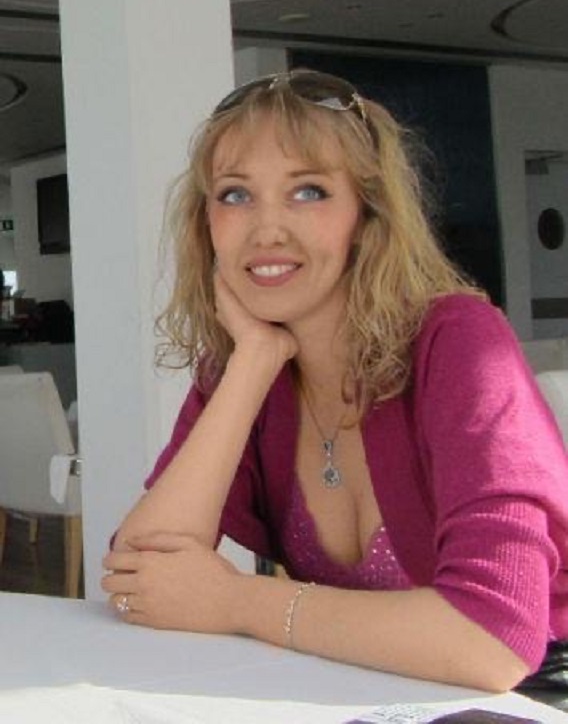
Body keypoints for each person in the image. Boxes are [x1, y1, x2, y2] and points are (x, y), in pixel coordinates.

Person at [102, 69, 568, 693]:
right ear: (205, 224)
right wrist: (254, 362)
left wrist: (236, 602)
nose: (267, 230)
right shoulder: (245, 367)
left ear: (368, 216)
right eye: (235, 195)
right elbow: (141, 576)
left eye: (309, 191)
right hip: (379, 693)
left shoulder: (457, 342)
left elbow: (493, 640)